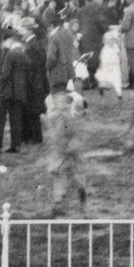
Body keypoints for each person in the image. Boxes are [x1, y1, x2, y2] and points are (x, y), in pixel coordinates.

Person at [42, 89, 87, 217]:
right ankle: (57, 204)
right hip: (58, 153)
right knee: (58, 178)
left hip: (71, 155)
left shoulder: (70, 119)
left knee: (75, 179)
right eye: (57, 103)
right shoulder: (55, 117)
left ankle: (81, 196)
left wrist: (71, 147)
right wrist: (45, 121)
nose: (59, 106)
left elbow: (76, 135)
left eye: (62, 103)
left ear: (68, 105)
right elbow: (51, 134)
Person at [0, 30, 29, 155]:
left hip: (6, 91)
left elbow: (5, 74)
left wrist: (0, 88)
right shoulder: (23, 53)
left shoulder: (10, 54)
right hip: (19, 91)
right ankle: (16, 145)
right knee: (15, 118)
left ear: (9, 39)